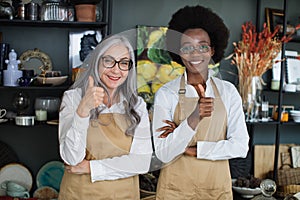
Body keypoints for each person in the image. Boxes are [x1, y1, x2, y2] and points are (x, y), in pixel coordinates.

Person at [152, 5, 249, 199]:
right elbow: (163, 152)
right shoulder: (166, 94)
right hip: (175, 191)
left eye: (202, 46)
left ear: (212, 50)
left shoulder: (228, 92)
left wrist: (192, 150)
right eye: (187, 47)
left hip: (215, 191)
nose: (195, 54)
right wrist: (195, 116)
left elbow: (240, 146)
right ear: (179, 53)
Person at [58, 34, 152, 200]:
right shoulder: (73, 98)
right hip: (79, 194)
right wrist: (83, 110)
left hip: (124, 195)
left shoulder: (137, 106)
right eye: (109, 61)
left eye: (124, 63)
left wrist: (91, 168)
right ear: (97, 62)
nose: (116, 70)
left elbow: (141, 162)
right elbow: (71, 158)